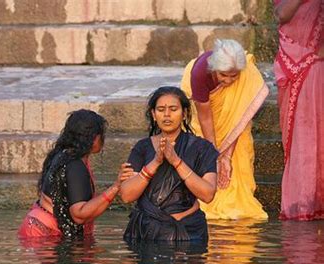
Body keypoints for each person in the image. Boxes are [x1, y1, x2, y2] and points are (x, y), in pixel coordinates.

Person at [180, 39, 269, 220]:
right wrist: (214, 156)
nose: (228, 81)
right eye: (223, 75)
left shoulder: (246, 75)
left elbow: (238, 118)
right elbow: (205, 118)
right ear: (214, 69)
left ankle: (237, 204)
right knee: (202, 155)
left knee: (239, 155)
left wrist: (227, 156)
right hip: (204, 116)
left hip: (234, 125)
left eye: (233, 76)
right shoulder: (200, 74)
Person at [121, 86, 218, 242]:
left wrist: (176, 161)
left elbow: (207, 194)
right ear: (153, 115)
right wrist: (155, 162)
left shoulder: (202, 148)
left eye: (173, 109)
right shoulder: (142, 147)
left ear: (184, 113)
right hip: (146, 232)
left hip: (188, 232)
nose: (167, 115)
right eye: (160, 109)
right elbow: (126, 195)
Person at [18, 109, 134, 239]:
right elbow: (79, 214)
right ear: (94, 138)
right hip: (45, 236)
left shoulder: (63, 154)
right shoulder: (74, 164)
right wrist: (116, 187)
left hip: (37, 229)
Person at [274, 0, 324, 220]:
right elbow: (281, 14)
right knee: (300, 138)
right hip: (292, 59)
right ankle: (303, 204)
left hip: (316, 62)